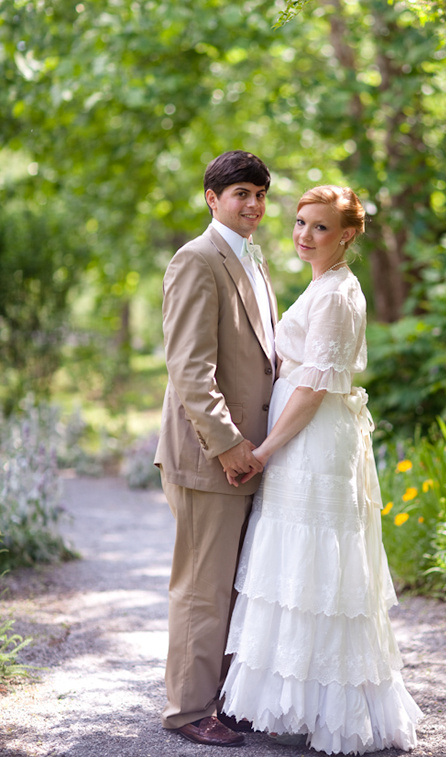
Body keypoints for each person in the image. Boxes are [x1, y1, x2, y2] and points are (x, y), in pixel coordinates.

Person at [221, 185, 423, 754]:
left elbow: (311, 388)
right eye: (301, 223)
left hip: (312, 440)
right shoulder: (322, 284)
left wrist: (263, 452)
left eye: (321, 228)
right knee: (296, 566)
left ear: (348, 236)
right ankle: (292, 701)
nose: (305, 235)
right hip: (300, 437)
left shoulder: (338, 294)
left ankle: (331, 708)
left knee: (318, 568)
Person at [154, 150, 278, 747]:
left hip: (252, 453)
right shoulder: (197, 259)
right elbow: (190, 370)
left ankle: (220, 702)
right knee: (202, 588)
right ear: (212, 197)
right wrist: (229, 445)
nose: (252, 204)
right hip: (210, 456)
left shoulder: (254, 259)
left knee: (230, 585)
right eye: (240, 194)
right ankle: (186, 711)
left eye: (259, 194)